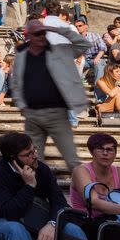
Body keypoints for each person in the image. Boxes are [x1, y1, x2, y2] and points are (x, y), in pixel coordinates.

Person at [11, 20, 88, 171]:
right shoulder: (21, 55)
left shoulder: (59, 50)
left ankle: (88, 193)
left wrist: (57, 29)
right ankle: (36, 194)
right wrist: (22, 105)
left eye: (44, 32)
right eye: (38, 33)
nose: (42, 36)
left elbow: (84, 45)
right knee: (32, 163)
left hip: (57, 114)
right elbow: (16, 83)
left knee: (72, 160)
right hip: (32, 116)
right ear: (29, 36)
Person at [0, 132, 87, 240]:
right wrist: (29, 185)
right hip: (3, 220)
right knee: (16, 230)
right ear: (12, 158)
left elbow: (59, 201)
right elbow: (10, 212)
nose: (35, 156)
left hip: (37, 217)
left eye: (34, 150)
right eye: (28, 154)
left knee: (73, 230)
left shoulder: (42, 169)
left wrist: (52, 224)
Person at [70, 132, 120, 234]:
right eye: (100, 149)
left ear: (115, 154)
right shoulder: (81, 171)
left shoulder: (119, 172)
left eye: (110, 150)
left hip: (114, 223)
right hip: (87, 224)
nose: (105, 153)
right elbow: (94, 203)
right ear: (91, 152)